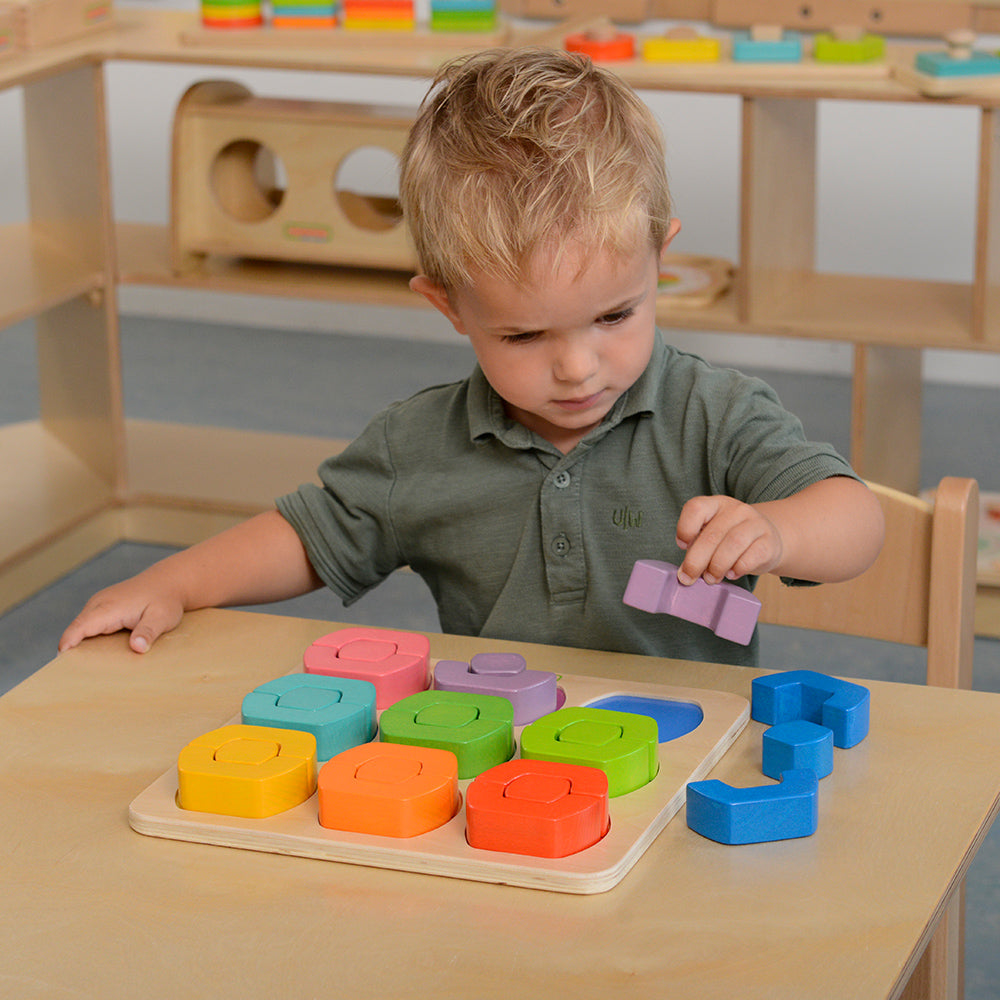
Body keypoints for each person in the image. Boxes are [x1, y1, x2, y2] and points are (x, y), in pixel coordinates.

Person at [58, 47, 884, 667]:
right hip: (498, 760)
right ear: (449, 306)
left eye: (614, 316)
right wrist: (171, 583)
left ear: (659, 262)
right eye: (524, 336)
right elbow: (308, 538)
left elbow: (856, 519)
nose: (578, 367)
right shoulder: (417, 444)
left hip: (689, 760)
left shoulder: (716, 413)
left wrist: (777, 531)